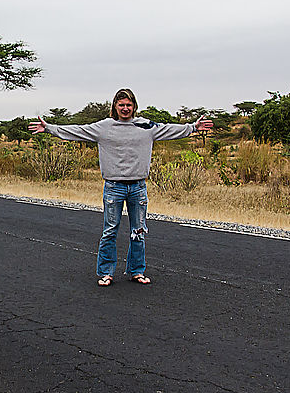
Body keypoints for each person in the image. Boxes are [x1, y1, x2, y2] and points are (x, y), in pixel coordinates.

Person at [28, 88, 213, 287]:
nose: (125, 108)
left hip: (138, 187)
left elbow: (170, 130)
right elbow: (77, 131)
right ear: (115, 106)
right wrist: (49, 128)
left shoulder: (146, 126)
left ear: (134, 106)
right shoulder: (104, 127)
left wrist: (193, 127)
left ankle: (137, 271)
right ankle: (106, 272)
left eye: (129, 105)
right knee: (110, 230)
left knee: (139, 231)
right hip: (113, 187)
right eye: (121, 105)